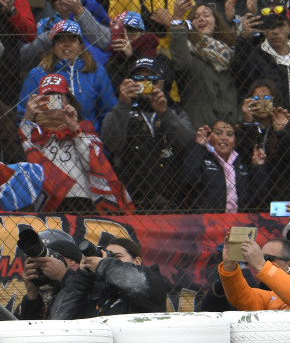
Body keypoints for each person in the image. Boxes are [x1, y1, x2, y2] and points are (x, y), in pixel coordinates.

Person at [20, 73, 132, 212]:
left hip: (81, 203)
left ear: (69, 101)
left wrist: (74, 129)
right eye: (47, 97)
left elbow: (92, 164)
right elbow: (20, 158)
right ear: (38, 102)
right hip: (45, 204)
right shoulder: (33, 133)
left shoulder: (84, 129)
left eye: (59, 97)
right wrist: (28, 119)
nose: (53, 102)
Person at [99, 57, 194, 211]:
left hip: (171, 199)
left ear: (161, 83)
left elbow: (188, 144)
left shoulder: (176, 111)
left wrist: (165, 113)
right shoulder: (120, 111)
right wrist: (123, 104)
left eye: (152, 79)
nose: (145, 83)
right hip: (130, 200)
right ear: (129, 82)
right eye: (138, 79)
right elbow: (111, 145)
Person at [19, 20, 116, 129]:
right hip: (49, 142)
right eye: (61, 40)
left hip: (88, 139)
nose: (66, 44)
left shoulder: (96, 71)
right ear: (53, 47)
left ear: (80, 46)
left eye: (72, 39)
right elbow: (23, 114)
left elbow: (109, 112)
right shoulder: (37, 74)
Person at [49, 236, 168, 319]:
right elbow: (59, 317)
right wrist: (83, 277)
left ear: (137, 261)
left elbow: (138, 284)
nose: (111, 261)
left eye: (117, 257)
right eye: (109, 256)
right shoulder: (95, 292)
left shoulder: (151, 280)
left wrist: (103, 264)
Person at [169, 1, 239, 129]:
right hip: (199, 125)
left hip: (229, 124)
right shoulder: (186, 48)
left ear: (216, 21)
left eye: (206, 15)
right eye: (195, 17)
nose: (201, 19)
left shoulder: (230, 51)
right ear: (190, 25)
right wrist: (177, 20)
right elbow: (180, 63)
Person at [182, 120, 267, 213]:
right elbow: (189, 180)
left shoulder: (241, 162)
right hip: (207, 222)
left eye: (229, 134)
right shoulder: (201, 156)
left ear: (234, 141)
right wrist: (198, 146)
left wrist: (258, 167)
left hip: (239, 222)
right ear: (209, 138)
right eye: (218, 133)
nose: (224, 137)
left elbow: (258, 196)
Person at [217, 229, 290, 311]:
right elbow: (243, 299)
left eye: (268, 258)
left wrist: (262, 265)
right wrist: (229, 267)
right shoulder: (275, 297)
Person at [16, 228, 83, 319]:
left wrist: (63, 276)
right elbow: (28, 331)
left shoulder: (89, 289)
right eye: (38, 262)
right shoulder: (29, 302)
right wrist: (31, 294)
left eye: (50, 260)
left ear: (72, 261)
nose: (44, 266)